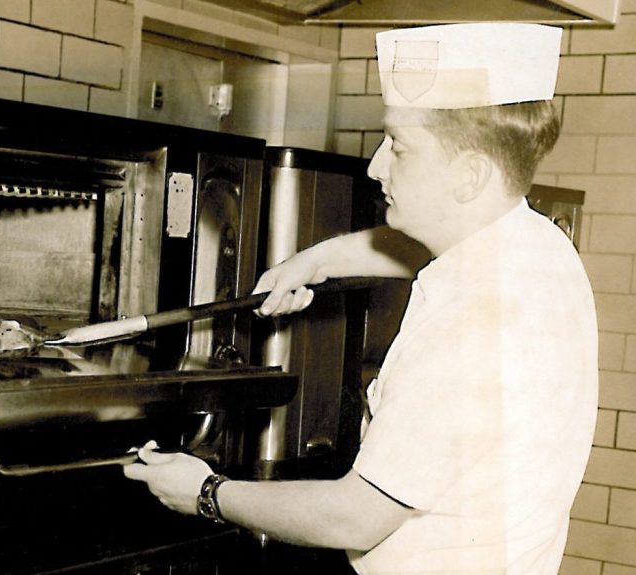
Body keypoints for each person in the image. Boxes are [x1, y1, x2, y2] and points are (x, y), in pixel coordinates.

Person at [123, 22, 598, 575]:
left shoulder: (474, 321)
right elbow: (415, 244)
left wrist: (206, 491)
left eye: (398, 146)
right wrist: (314, 262)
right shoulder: (536, 245)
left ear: (470, 174)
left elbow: (355, 516)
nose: (375, 166)